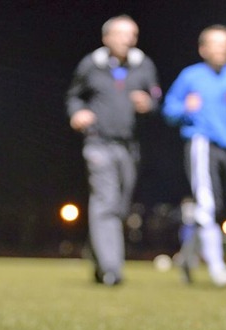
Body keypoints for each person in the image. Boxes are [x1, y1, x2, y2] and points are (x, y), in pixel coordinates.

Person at [66, 15, 161, 286]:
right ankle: (112, 269)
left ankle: (97, 256)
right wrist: (78, 112)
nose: (127, 39)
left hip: (129, 147)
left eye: (132, 34)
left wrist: (149, 103)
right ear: (106, 37)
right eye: (121, 34)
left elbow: (156, 96)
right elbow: (74, 96)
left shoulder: (143, 65)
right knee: (105, 202)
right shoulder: (91, 65)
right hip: (98, 143)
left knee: (119, 207)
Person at [162, 24, 226, 287]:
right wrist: (185, 107)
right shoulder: (190, 76)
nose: (220, 49)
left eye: (225, 44)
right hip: (200, 143)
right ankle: (217, 269)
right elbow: (169, 110)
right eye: (214, 44)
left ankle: (185, 259)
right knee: (207, 205)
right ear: (203, 49)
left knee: (207, 210)